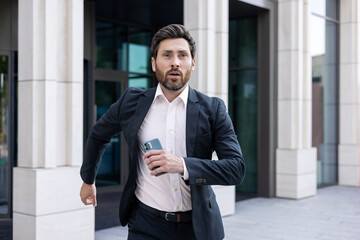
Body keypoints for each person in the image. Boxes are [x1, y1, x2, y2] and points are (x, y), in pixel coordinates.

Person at [80, 24, 245, 240]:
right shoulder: (131, 102)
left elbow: (236, 169)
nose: (175, 62)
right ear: (153, 63)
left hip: (196, 228)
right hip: (145, 224)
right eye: (167, 55)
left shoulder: (213, 109)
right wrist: (88, 179)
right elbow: (98, 135)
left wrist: (182, 165)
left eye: (182, 55)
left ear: (192, 63)